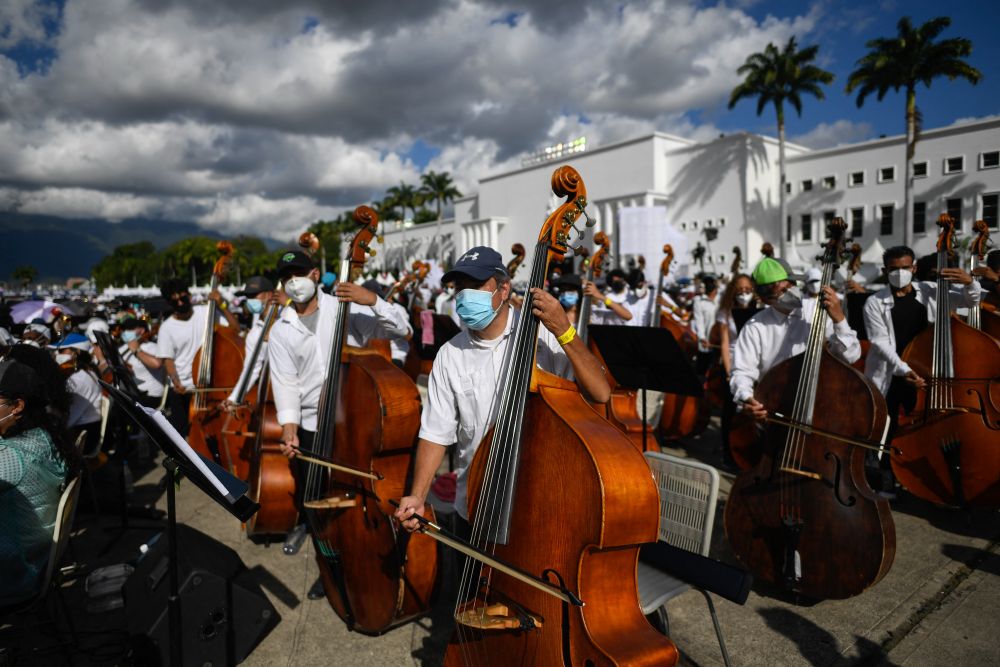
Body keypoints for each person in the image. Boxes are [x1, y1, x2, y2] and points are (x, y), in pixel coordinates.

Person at [393, 246, 611, 538]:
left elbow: (600, 392)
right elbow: (436, 432)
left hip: (540, 500)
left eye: (475, 285)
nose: (465, 294)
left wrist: (564, 330)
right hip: (475, 499)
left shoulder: (542, 333)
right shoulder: (450, 354)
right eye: (460, 287)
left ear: (504, 288)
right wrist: (418, 496)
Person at [268, 250, 409, 559]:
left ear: (315, 274)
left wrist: (372, 300)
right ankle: (329, 561)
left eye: (299, 274)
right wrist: (289, 430)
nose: (294, 282)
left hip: (355, 424)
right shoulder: (281, 329)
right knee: (317, 500)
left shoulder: (344, 308)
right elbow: (285, 382)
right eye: (287, 277)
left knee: (358, 497)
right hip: (311, 427)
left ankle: (363, 555)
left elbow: (401, 330)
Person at [862, 245, 980, 496]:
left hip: (929, 371)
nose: (900, 273)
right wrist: (904, 370)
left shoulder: (932, 291)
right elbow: (880, 342)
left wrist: (971, 283)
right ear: (885, 271)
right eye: (893, 269)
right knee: (887, 428)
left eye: (905, 267)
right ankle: (886, 481)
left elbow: (971, 301)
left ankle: (928, 480)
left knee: (928, 426)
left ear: (914, 268)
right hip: (892, 373)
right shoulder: (874, 302)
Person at [732, 257, 861, 421]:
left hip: (823, 402)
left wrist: (839, 320)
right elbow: (742, 371)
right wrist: (746, 398)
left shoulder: (819, 309)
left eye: (792, 284)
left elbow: (851, 356)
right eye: (783, 291)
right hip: (777, 407)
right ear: (765, 299)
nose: (792, 290)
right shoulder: (754, 326)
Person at [0, 358, 74, 607]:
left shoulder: (10, 457)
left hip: (19, 574)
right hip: (41, 558)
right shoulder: (42, 435)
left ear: (17, 406)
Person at [156, 278, 237, 437]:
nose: (180, 303)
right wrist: (176, 380)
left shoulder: (206, 311)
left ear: (189, 295)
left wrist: (223, 305)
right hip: (185, 389)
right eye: (174, 301)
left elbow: (235, 330)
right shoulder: (166, 328)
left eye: (183, 298)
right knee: (183, 435)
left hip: (210, 384)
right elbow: (168, 360)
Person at [222, 277, 280, 414]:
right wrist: (234, 398)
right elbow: (251, 369)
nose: (250, 300)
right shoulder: (254, 334)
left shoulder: (289, 315)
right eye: (247, 297)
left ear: (270, 295)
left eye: (254, 295)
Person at [51, 334, 103, 457]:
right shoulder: (86, 371)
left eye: (62, 350)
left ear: (77, 352)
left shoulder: (79, 379)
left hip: (84, 437)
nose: (58, 354)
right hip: (83, 429)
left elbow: (68, 421)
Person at [118, 318, 166, 409]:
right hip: (131, 392)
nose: (126, 332)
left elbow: (157, 364)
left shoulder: (153, 347)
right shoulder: (123, 348)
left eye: (130, 329)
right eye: (125, 329)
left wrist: (137, 350)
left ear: (142, 330)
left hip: (151, 395)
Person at [363, 279, 412, 369]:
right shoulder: (364, 309)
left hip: (394, 355)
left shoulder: (398, 308)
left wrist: (389, 315)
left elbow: (408, 335)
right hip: (372, 354)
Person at [691, 275, 720, 374]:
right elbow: (699, 322)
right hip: (706, 344)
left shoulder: (721, 299)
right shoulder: (698, 302)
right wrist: (702, 338)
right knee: (702, 371)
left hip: (720, 343)